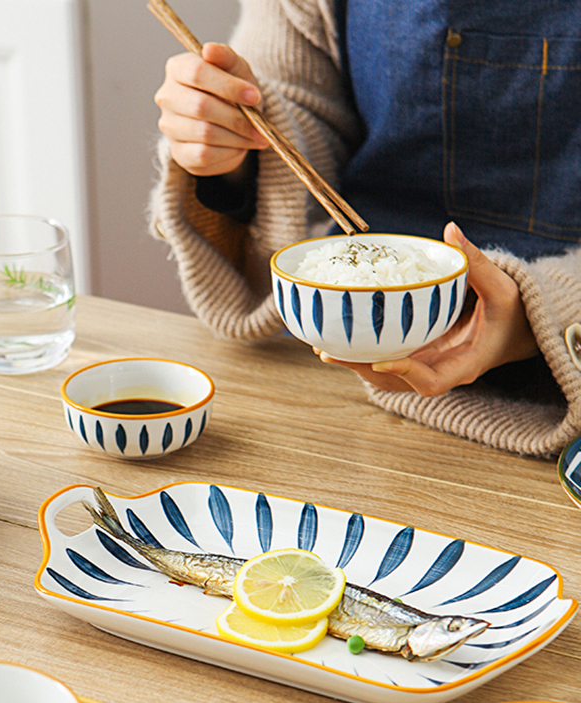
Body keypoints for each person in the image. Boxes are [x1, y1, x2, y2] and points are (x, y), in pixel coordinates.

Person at [148, 0, 581, 458]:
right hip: (340, 385)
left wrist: (539, 317)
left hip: (559, 414)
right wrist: (230, 152)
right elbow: (296, 104)